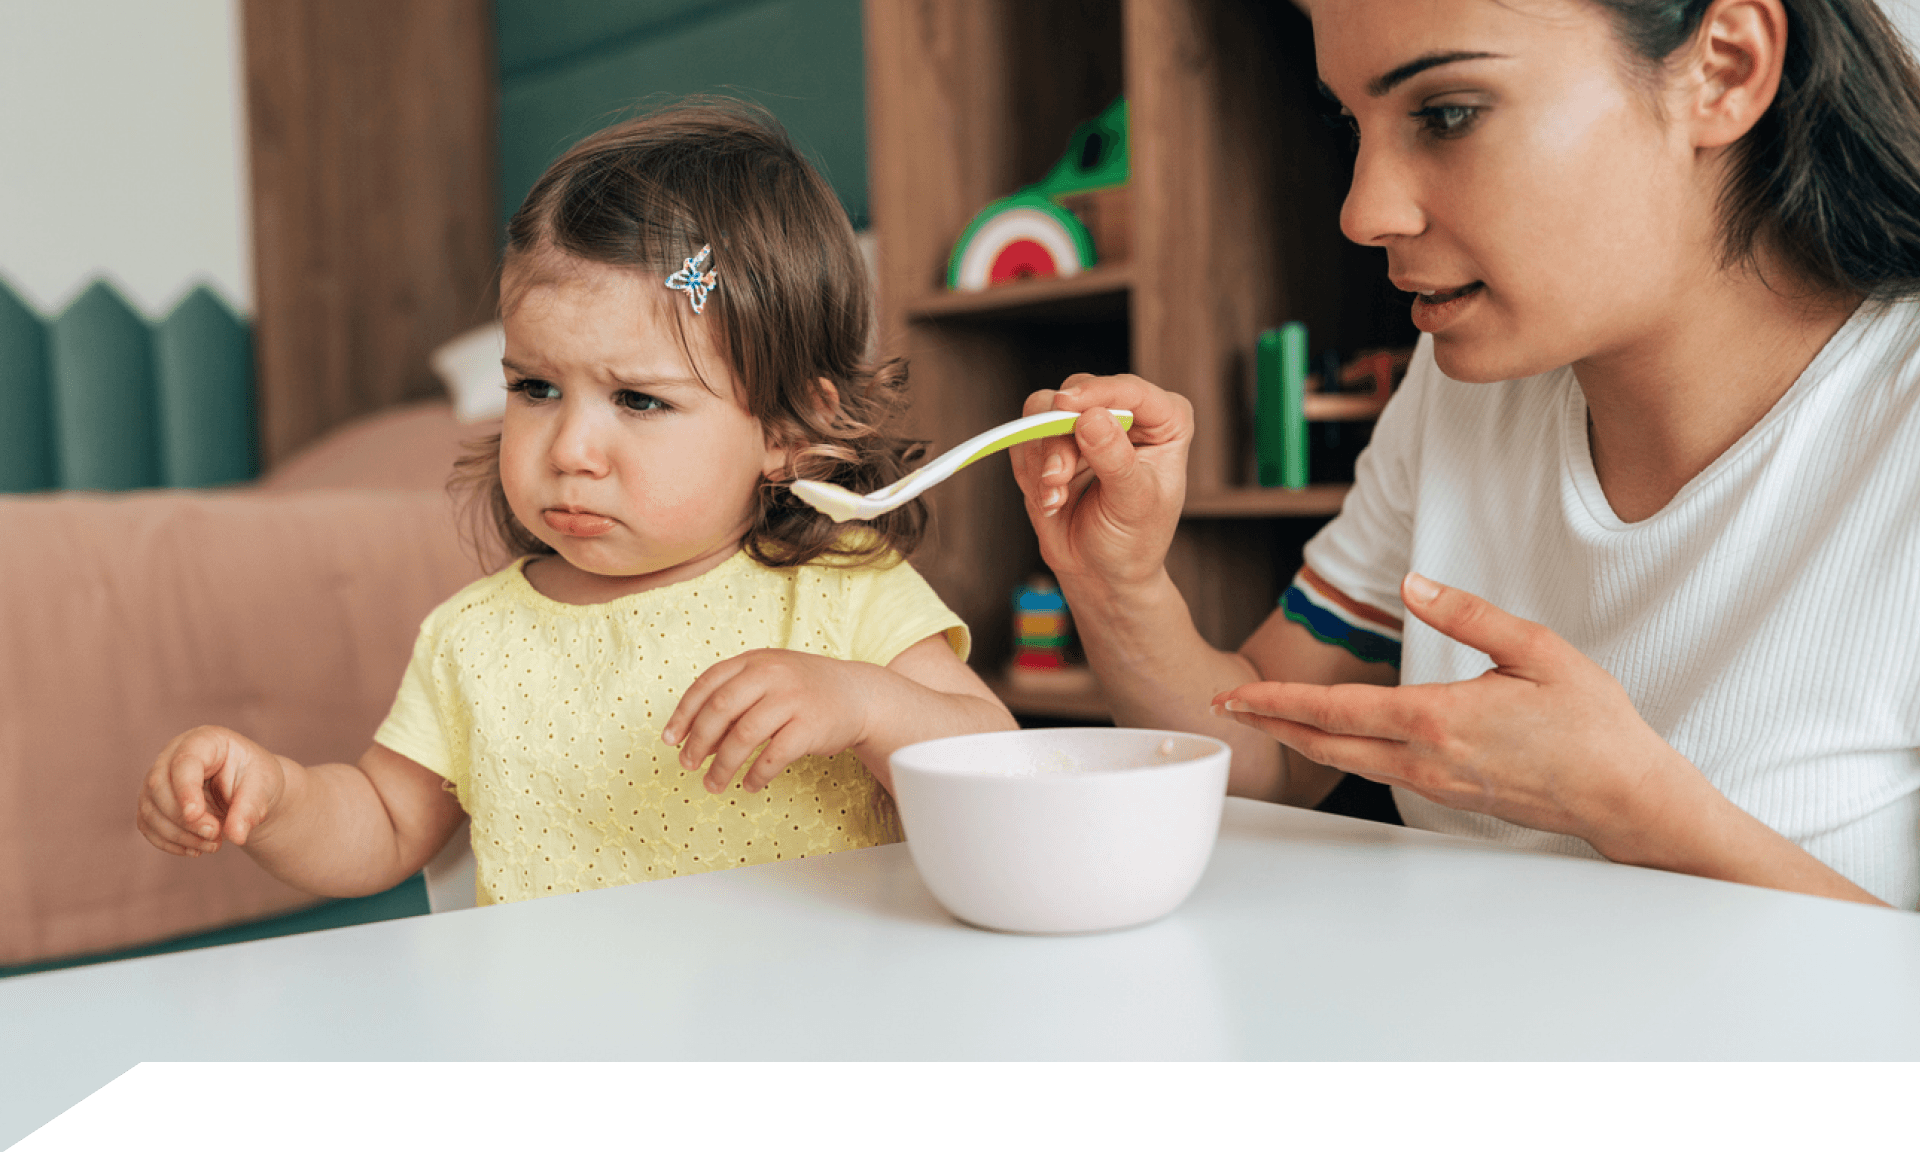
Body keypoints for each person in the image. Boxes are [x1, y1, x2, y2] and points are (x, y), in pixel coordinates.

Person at [1012, 0, 1920, 908]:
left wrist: (1632, 806)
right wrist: (1116, 585)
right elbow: (1265, 756)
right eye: (1350, 122)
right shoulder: (1459, 393)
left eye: (1447, 113)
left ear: (1724, 68)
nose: (1363, 211)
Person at [136, 100, 1015, 905]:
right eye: (535, 388)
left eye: (640, 401)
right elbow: (383, 822)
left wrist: (866, 706)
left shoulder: (843, 596)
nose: (569, 451)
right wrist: (277, 796)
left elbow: (1003, 776)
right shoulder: (474, 637)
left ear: (789, 432)